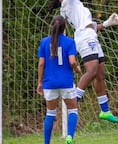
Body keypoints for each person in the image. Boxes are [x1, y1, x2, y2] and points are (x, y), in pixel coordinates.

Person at [48, 0, 118, 123]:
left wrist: (107, 23)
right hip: (84, 37)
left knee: (100, 74)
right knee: (92, 70)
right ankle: (75, 98)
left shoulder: (77, 6)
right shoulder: (67, 2)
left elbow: (91, 25)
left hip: (91, 35)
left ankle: (104, 111)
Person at [37, 15, 81, 144]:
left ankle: (46, 142)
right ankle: (69, 137)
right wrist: (77, 69)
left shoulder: (44, 42)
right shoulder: (69, 42)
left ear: (52, 26)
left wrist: (40, 82)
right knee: (72, 110)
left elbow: (41, 64)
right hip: (66, 82)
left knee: (50, 112)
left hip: (49, 83)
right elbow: (72, 61)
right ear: (65, 27)